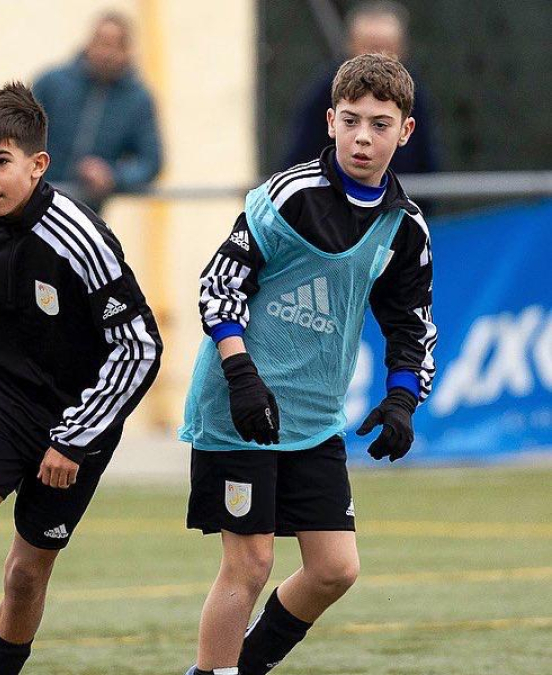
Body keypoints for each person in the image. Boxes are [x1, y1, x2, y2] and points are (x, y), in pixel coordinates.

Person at [179, 53, 437, 675]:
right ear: (330, 122)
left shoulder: (404, 227)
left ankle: (238, 667)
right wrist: (242, 377)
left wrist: (402, 400)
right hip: (240, 409)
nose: (363, 137)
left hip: (314, 420)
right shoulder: (288, 196)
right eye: (351, 121)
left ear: (405, 131)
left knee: (334, 569)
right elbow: (219, 286)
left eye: (380, 124)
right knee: (250, 564)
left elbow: (412, 324)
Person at [0, 83, 162, 675]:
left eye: (0, 161)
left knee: (24, 575)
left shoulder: (82, 238)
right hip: (1, 407)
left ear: (38, 164)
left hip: (76, 422)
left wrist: (75, 436)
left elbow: (141, 346)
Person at [282, 1, 439, 176]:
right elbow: (301, 157)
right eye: (350, 121)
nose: (378, 58)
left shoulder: (414, 93)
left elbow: (428, 159)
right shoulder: (325, 91)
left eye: (387, 49)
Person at [31, 11, 162, 213]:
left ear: (128, 51)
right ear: (89, 43)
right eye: (101, 42)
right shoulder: (51, 84)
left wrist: (112, 176)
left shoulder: (137, 100)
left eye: (116, 45)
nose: (107, 53)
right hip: (32, 200)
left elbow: (151, 162)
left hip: (86, 213)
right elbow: (17, 134)